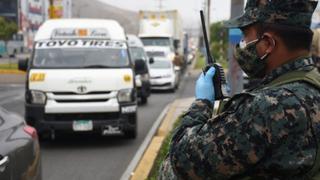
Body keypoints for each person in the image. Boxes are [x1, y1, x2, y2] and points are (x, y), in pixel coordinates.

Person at [159, 0, 320, 179]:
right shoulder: (313, 84)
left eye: (245, 37)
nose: (242, 44)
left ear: (267, 44)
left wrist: (202, 103)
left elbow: (182, 160)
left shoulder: (267, 108)